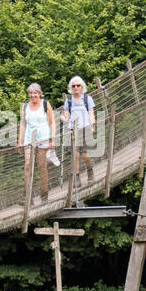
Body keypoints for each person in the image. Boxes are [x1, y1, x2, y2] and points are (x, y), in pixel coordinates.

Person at [18, 83, 56, 200]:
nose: (33, 95)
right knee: (28, 165)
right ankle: (27, 196)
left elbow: (52, 122)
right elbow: (23, 125)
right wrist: (20, 141)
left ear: (39, 93)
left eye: (35, 93)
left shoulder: (45, 104)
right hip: (29, 139)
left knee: (42, 166)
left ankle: (44, 195)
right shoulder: (25, 106)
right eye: (30, 93)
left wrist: (52, 140)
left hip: (43, 138)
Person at [64, 75, 96, 204]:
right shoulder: (69, 101)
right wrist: (63, 119)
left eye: (78, 85)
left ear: (82, 87)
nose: (76, 87)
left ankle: (90, 171)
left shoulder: (88, 99)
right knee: (75, 155)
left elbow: (91, 113)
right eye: (73, 86)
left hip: (85, 128)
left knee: (85, 155)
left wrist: (93, 126)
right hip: (73, 130)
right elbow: (66, 115)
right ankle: (77, 178)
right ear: (71, 88)